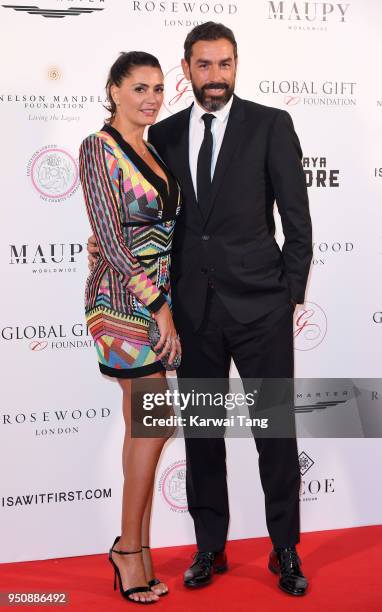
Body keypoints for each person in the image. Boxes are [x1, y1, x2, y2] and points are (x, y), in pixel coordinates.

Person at [88, 22, 312, 597]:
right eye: (204, 65)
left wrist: (287, 294)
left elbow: (297, 219)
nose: (215, 76)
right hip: (190, 310)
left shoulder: (271, 125)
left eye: (225, 64)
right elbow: (146, 218)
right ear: (186, 69)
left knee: (274, 431)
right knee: (203, 437)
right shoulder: (157, 134)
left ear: (237, 66)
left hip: (260, 307)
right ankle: (209, 547)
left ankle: (284, 549)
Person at [79, 51, 182, 604]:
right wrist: (159, 307)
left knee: (146, 428)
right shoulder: (98, 149)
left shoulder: (152, 148)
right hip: (122, 306)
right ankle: (129, 549)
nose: (150, 98)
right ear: (114, 89)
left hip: (157, 299)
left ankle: (134, 547)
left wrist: (169, 302)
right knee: (155, 421)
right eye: (139, 87)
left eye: (159, 89)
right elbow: (114, 243)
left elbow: (162, 230)